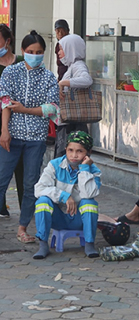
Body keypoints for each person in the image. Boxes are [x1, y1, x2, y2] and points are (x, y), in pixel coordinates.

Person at [0, 30, 59, 243]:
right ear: (23, 51)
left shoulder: (49, 77)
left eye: (39, 51)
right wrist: (4, 131)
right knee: (1, 179)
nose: (35, 55)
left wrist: (25, 109)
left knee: (31, 183)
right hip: (12, 136)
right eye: (31, 51)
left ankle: (22, 228)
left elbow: (52, 109)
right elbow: (6, 102)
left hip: (36, 139)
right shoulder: (10, 72)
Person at [33, 131, 100, 259]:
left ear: (88, 153)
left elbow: (88, 194)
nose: (74, 155)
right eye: (70, 150)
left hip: (79, 219)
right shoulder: (54, 165)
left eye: (80, 151)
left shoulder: (94, 171)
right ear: (65, 150)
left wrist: (84, 170)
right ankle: (43, 245)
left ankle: (89, 244)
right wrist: (64, 196)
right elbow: (39, 189)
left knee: (89, 203)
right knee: (42, 201)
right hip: (57, 218)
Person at [54, 33, 93, 158]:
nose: (59, 53)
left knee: (67, 160)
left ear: (71, 49)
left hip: (72, 124)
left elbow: (87, 80)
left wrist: (63, 83)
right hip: (69, 122)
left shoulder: (78, 65)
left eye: (61, 49)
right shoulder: (72, 66)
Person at [0, 23, 24, 218]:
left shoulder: (23, 62)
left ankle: (27, 207)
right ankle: (1, 207)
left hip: (23, 120)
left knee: (23, 167)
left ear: (7, 41)